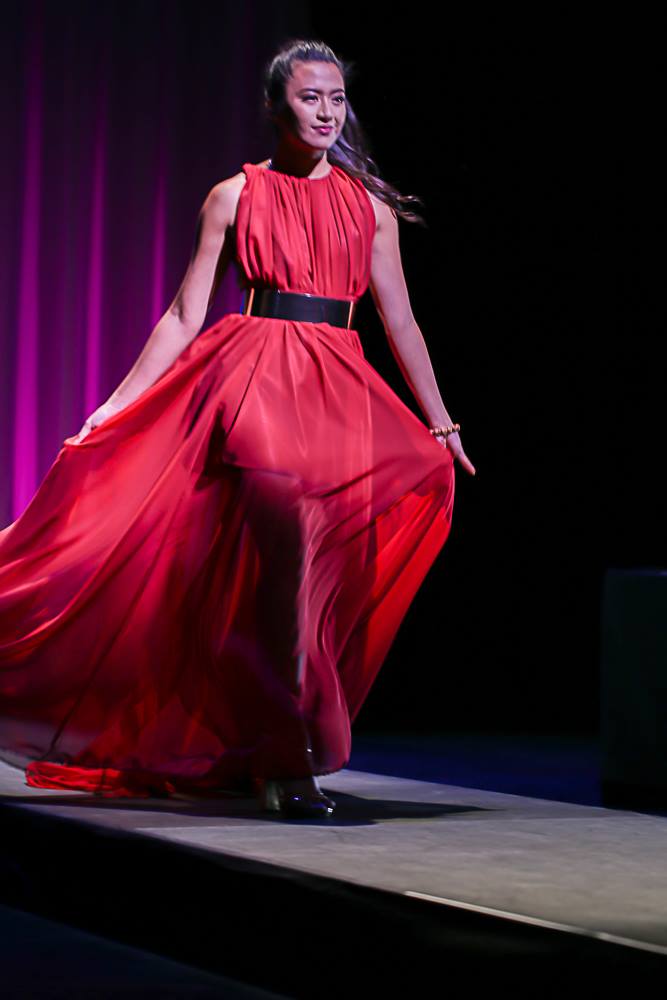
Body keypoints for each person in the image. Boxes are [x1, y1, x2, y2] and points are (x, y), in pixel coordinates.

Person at [0, 39, 475, 820]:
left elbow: (400, 321)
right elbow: (186, 314)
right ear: (274, 106)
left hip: (340, 396)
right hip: (257, 385)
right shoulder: (233, 196)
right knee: (282, 578)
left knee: (309, 588)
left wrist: (439, 420)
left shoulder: (370, 211)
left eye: (334, 99)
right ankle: (284, 765)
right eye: (307, 98)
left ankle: (251, 745)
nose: (325, 113)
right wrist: (113, 406)